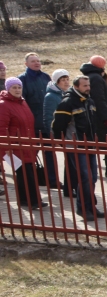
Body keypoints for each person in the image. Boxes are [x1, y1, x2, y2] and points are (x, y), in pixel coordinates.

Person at [52, 75, 102, 221]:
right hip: (76, 146)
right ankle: (83, 208)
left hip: (90, 145)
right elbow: (58, 127)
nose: (88, 88)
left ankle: (91, 206)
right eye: (85, 86)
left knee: (92, 178)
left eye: (89, 85)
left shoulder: (89, 101)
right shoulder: (67, 103)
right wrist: (66, 144)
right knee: (84, 177)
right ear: (76, 86)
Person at [0, 78, 44, 210]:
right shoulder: (3, 105)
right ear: (8, 89)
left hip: (27, 143)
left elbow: (29, 123)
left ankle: (25, 200)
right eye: (14, 87)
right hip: (15, 146)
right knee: (27, 173)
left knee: (25, 173)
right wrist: (7, 147)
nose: (17, 90)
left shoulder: (22, 102)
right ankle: (33, 200)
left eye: (19, 87)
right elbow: (1, 128)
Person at [19, 53, 55, 187]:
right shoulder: (22, 79)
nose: (37, 63)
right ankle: (33, 182)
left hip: (46, 123)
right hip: (32, 124)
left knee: (50, 153)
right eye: (33, 61)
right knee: (31, 154)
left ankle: (52, 181)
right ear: (26, 64)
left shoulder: (46, 77)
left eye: (38, 61)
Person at [80, 56, 107, 177]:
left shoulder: (91, 76)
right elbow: (99, 100)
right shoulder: (96, 78)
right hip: (101, 118)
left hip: (97, 116)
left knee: (104, 144)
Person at [43, 69, 70, 193]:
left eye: (67, 79)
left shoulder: (66, 94)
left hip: (66, 131)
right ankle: (54, 180)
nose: (66, 82)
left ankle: (70, 183)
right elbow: (49, 117)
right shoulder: (51, 96)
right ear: (56, 81)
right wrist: (53, 135)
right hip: (57, 133)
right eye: (62, 80)